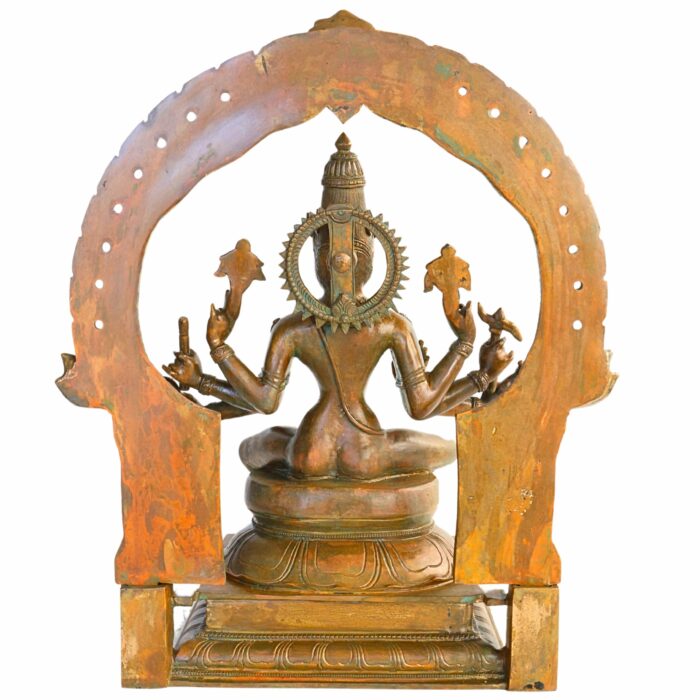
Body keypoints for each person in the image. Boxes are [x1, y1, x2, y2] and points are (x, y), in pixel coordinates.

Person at [164, 135, 513, 480]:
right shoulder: (392, 326)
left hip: (309, 447)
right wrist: (470, 354)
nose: (340, 261)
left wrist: (214, 355)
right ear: (373, 247)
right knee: (445, 449)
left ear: (313, 246)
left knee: (253, 447)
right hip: (366, 449)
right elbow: (421, 405)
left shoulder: (293, 328)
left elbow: (264, 400)